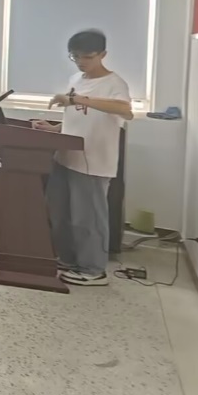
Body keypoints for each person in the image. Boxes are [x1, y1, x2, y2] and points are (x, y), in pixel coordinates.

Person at [33, 29, 132, 288]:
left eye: (87, 57)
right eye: (75, 56)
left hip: (93, 161)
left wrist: (77, 98)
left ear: (103, 54)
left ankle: (93, 270)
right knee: (61, 213)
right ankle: (68, 260)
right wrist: (55, 128)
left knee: (87, 219)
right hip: (65, 156)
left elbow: (125, 111)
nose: (80, 62)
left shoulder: (114, 83)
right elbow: (79, 117)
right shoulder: (75, 78)